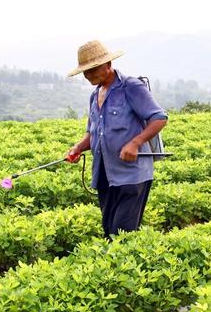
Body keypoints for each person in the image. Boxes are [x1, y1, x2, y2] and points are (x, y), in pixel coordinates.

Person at [66, 40, 168, 238]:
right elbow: (93, 133)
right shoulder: (94, 96)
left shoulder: (131, 87)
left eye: (93, 69)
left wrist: (135, 143)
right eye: (85, 72)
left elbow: (159, 118)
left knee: (122, 234)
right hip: (105, 175)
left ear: (108, 65)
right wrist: (77, 148)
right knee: (109, 231)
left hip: (132, 174)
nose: (89, 76)